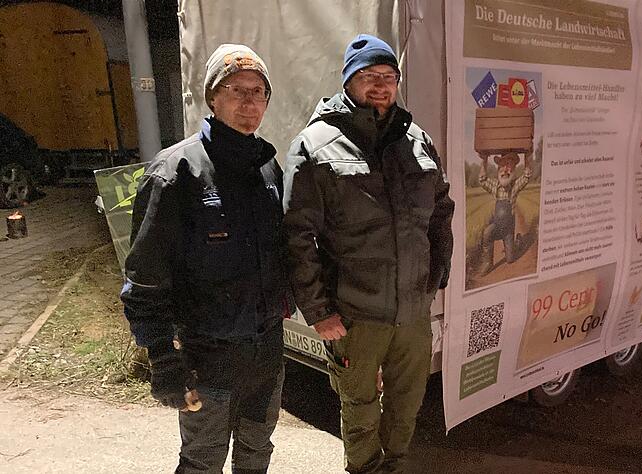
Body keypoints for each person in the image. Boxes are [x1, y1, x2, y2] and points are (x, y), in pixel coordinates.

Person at [282, 34, 455, 473]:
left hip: (412, 315)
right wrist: (318, 311)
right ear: (348, 81)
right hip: (354, 316)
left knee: (406, 407)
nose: (380, 85)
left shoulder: (416, 140)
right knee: (359, 412)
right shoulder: (316, 145)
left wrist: (435, 278)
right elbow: (298, 236)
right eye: (368, 76)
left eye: (388, 77)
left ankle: (394, 466)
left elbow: (442, 211)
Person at [120, 44, 292, 474]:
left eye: (259, 92)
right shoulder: (176, 171)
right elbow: (144, 278)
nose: (250, 102)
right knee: (202, 461)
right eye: (237, 90)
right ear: (213, 97)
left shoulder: (269, 170)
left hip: (265, 356)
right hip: (206, 357)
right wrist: (162, 357)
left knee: (257, 453)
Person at [477, 151, 533, 274]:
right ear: (498, 169)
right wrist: (484, 161)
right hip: (497, 226)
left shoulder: (514, 187)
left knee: (510, 259)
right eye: (502, 166)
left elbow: (527, 176)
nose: (505, 170)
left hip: (508, 230)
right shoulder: (495, 186)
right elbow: (482, 180)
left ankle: (517, 242)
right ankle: (487, 263)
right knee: (487, 233)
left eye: (509, 166)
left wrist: (527, 158)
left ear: (513, 170)